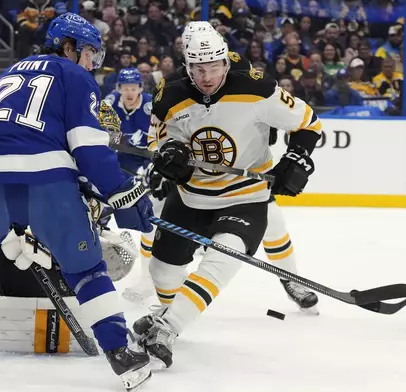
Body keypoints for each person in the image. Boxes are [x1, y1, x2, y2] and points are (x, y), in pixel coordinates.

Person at [0, 13, 154, 390]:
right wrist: (118, 187)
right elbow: (87, 145)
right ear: (68, 47)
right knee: (87, 270)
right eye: (89, 53)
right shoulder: (75, 76)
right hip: (45, 183)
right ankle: (120, 353)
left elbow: (7, 133)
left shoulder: (10, 72)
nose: (92, 63)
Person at [133, 29, 322, 369]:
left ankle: (168, 326)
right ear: (187, 66)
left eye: (214, 67)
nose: (207, 76)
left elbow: (308, 123)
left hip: (245, 196)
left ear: (225, 60)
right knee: (162, 270)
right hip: (191, 196)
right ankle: (166, 309)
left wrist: (296, 159)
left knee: (227, 251)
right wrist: (168, 156)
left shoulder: (256, 88)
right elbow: (156, 140)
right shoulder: (169, 94)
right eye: (198, 68)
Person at [103, 68, 173, 302]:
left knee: (149, 224)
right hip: (113, 170)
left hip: (145, 171)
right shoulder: (109, 103)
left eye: (134, 88)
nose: (130, 92)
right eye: (126, 88)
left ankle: (147, 278)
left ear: (141, 89)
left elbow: (165, 140)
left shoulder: (152, 107)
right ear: (119, 89)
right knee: (94, 216)